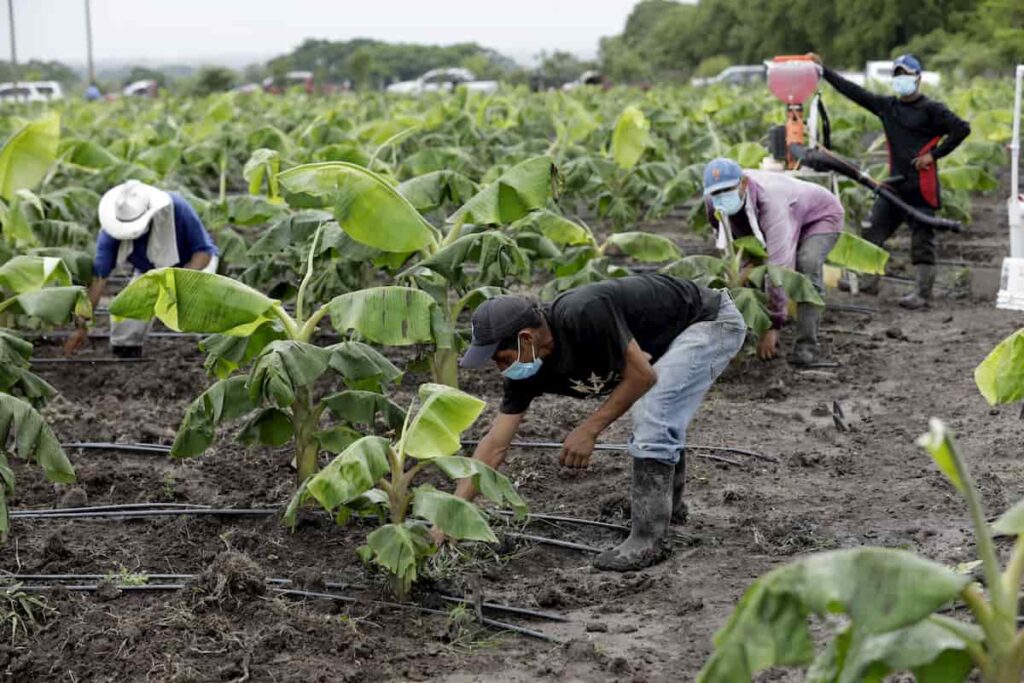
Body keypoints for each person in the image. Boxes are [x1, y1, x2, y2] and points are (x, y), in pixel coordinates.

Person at [454, 274, 746, 571]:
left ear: (526, 339)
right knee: (658, 409)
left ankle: (648, 540)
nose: (502, 369)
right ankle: (672, 509)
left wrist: (589, 430)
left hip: (709, 321)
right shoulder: (528, 370)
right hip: (664, 343)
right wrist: (450, 517)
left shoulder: (582, 313)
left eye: (502, 358)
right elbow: (495, 445)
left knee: (655, 408)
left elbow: (643, 377)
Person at [811, 53, 970, 309]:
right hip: (894, 185)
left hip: (921, 187)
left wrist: (933, 154)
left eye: (906, 76)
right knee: (874, 232)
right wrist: (825, 71)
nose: (901, 81)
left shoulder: (932, 110)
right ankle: (868, 282)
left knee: (921, 239)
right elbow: (855, 92)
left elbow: (962, 129)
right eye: (896, 76)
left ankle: (922, 293)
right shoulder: (888, 107)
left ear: (917, 79)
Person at [703, 157, 844, 367]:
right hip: (770, 219)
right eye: (716, 193)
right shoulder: (712, 201)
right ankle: (746, 338)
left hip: (819, 217)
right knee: (752, 273)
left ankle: (807, 348)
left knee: (807, 266)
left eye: (727, 190)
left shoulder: (771, 203)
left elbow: (778, 270)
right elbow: (729, 243)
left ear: (743, 183)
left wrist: (774, 325)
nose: (721, 197)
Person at [64, 180, 219, 357]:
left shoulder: (177, 208)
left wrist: (178, 284)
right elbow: (99, 279)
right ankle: (126, 353)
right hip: (149, 269)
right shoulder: (111, 231)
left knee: (198, 305)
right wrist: (81, 326)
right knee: (128, 311)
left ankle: (209, 350)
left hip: (191, 265)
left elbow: (203, 252)